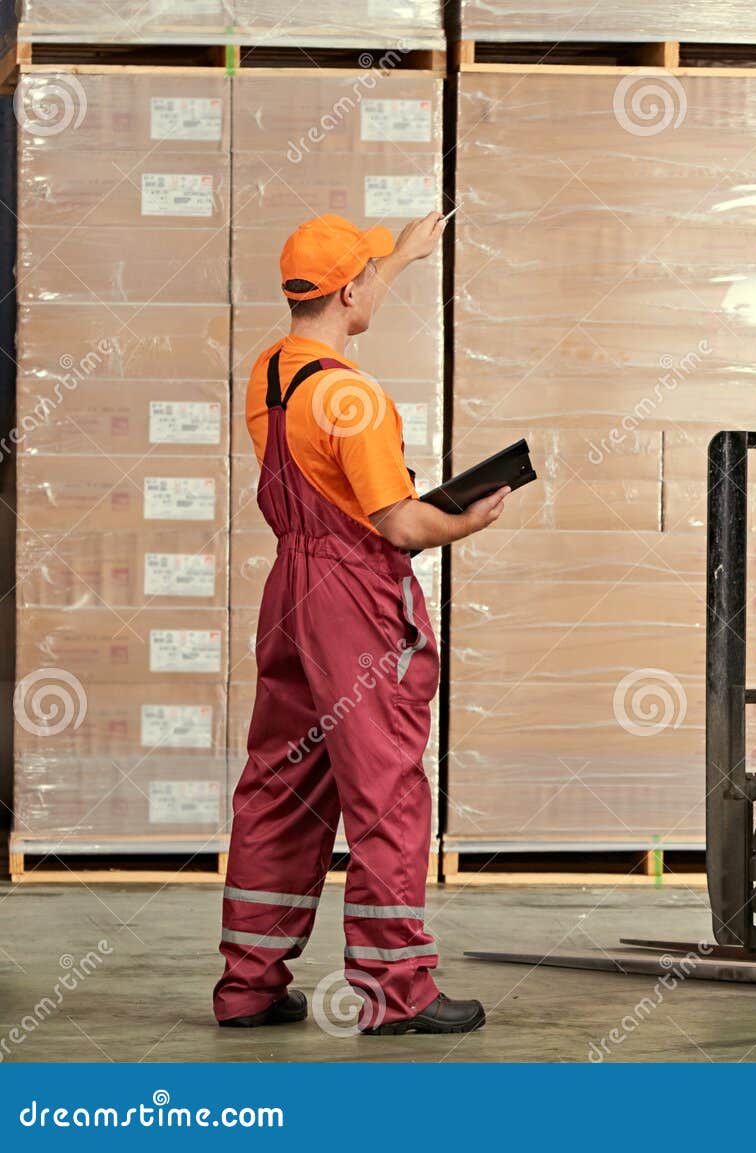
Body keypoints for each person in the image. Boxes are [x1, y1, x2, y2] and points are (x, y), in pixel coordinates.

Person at [214, 213, 511, 1035]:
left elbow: (345, 308)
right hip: (353, 600)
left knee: (279, 782)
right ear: (350, 291)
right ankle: (395, 989)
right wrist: (469, 519)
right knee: (384, 789)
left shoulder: (270, 372)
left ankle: (248, 984)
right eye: (372, 274)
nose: (378, 281)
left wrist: (406, 252)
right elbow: (400, 525)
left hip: (292, 593)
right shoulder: (356, 398)